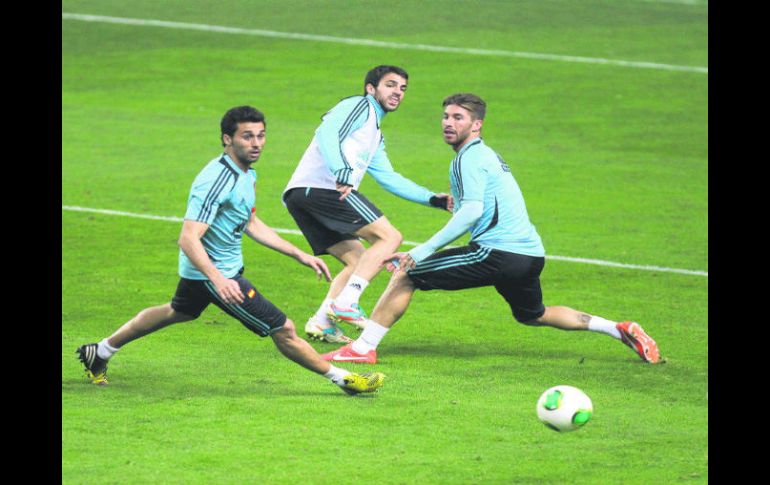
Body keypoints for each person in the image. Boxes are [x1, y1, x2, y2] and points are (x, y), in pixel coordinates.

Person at [320, 93, 661, 365]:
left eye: (458, 118)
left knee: (407, 274)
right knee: (534, 315)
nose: (448, 124)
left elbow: (470, 212)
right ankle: (619, 329)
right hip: (529, 255)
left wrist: (420, 251)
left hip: (497, 252)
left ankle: (363, 349)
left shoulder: (469, 157)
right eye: (446, 116)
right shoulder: (484, 156)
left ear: (477, 125)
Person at [76, 106, 385, 395]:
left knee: (177, 311)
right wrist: (220, 281)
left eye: (261, 135)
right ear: (227, 139)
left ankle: (100, 351)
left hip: (213, 273)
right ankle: (345, 380)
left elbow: (250, 220)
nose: (256, 143)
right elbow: (188, 238)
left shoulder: (247, 174)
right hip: (217, 275)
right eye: (247, 136)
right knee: (284, 328)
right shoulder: (216, 179)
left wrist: (298, 253)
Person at [282, 65, 452, 344]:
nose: (398, 92)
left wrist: (431, 199)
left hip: (303, 195)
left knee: (359, 260)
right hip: (323, 189)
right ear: (371, 88)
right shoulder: (360, 106)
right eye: (390, 85)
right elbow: (327, 133)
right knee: (390, 237)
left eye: (403, 88)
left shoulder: (373, 131)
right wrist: (341, 171)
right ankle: (347, 302)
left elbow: (388, 177)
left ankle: (323, 321)